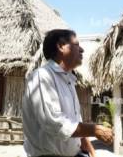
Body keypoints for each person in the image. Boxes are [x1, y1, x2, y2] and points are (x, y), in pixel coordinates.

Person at [23, 29, 114, 157]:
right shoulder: (42, 76)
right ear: (61, 46)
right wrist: (95, 129)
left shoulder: (69, 80)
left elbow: (74, 122)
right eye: (76, 45)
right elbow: (54, 122)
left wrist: (89, 148)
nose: (81, 50)